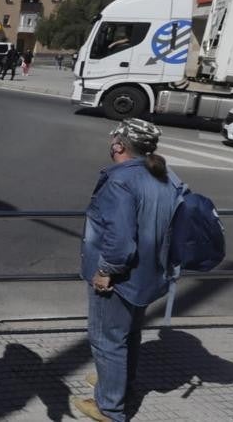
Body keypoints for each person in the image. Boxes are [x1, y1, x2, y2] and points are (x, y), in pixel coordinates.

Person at [72, 119, 183, 422]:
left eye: (114, 140)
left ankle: (109, 408)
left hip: (121, 277)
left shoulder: (121, 180)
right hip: (150, 272)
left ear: (119, 145)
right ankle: (119, 384)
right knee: (129, 334)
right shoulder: (167, 176)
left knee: (107, 339)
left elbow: (119, 239)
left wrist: (106, 270)